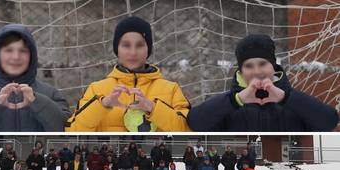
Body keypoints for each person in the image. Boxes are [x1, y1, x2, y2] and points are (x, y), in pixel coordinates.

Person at [187, 34, 338, 132]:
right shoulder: (228, 103)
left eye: (262, 63)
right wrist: (236, 100)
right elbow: (195, 123)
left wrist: (285, 98)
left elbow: (329, 122)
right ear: (241, 71)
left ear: (273, 66)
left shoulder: (294, 101)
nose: (257, 72)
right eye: (249, 66)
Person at [66, 16, 191, 132]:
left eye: (140, 45)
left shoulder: (171, 89)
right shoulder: (96, 89)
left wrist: (154, 108)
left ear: (149, 49)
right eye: (126, 45)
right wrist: (103, 105)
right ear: (117, 49)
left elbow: (187, 129)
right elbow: (72, 130)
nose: (133, 52)